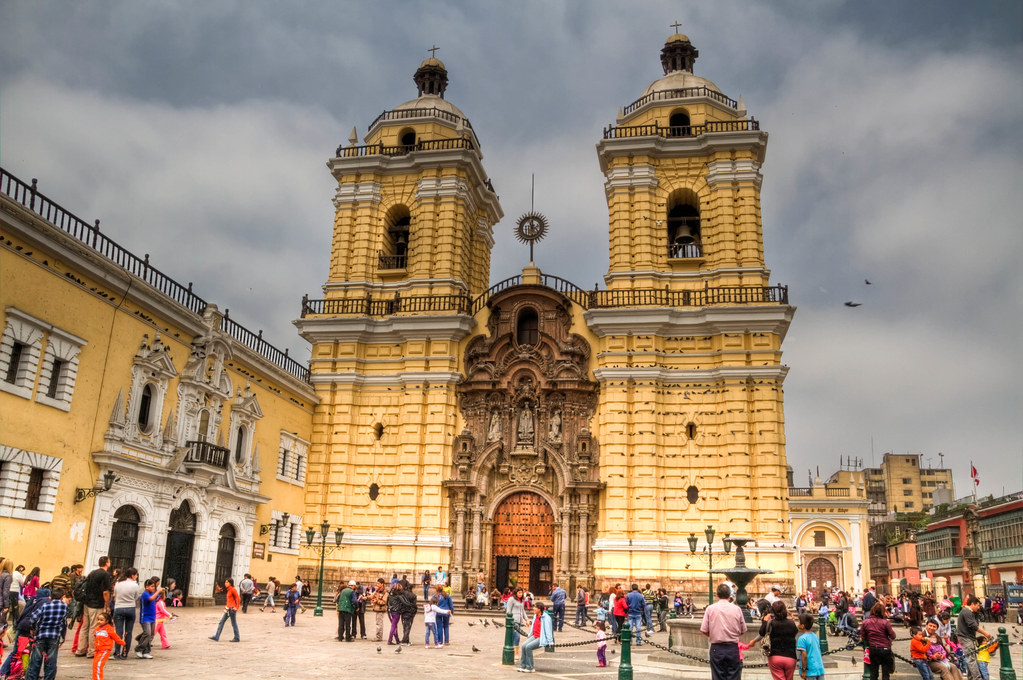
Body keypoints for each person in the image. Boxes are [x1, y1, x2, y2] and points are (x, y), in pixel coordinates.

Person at [700, 583, 747, 680]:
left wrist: (713, 635)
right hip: (733, 648)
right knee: (734, 676)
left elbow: (704, 629)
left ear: (717, 595)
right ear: (730, 595)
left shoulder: (710, 609)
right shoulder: (737, 609)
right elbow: (743, 630)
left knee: (717, 676)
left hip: (716, 648)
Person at [24, 587, 67, 680]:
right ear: (62, 597)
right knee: (51, 662)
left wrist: (32, 628)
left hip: (41, 636)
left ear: (50, 597)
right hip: (54, 637)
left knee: (35, 660)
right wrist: (62, 638)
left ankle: (32, 678)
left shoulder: (45, 606)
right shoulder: (64, 607)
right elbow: (64, 624)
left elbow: (33, 618)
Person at [750, 600, 798, 680]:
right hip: (791, 657)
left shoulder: (771, 623)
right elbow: (795, 632)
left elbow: (762, 633)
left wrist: (765, 621)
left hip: (775, 657)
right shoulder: (791, 623)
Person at [77, 556, 113, 658]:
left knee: (85, 627)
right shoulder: (105, 575)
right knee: (94, 626)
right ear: (107, 563)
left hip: (87, 602)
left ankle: (81, 649)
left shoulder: (92, 572)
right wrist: (107, 604)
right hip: (97, 604)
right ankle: (92, 650)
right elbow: (105, 592)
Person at [956, 596, 991, 680]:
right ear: (972, 604)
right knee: (971, 659)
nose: (978, 608)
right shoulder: (966, 612)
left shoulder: (968, 612)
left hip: (967, 637)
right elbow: (973, 625)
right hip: (965, 637)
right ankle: (977, 678)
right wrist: (985, 633)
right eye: (977, 605)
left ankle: (971, 677)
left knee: (970, 658)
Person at [860, 602, 896, 680]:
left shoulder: (865, 622)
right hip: (885, 649)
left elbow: (863, 637)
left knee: (874, 673)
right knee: (886, 674)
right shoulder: (885, 623)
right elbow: (893, 636)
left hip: (873, 649)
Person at [111, 567, 141, 659]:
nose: (136, 577)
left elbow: (115, 594)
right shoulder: (135, 585)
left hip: (119, 608)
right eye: (136, 575)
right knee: (128, 632)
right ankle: (125, 653)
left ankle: (117, 653)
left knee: (118, 632)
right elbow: (136, 597)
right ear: (132, 575)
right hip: (130, 608)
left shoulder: (118, 583)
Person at [519, 602, 554, 674]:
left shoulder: (546, 618)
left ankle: (530, 667)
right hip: (535, 636)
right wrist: (530, 635)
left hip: (541, 638)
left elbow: (548, 630)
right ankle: (523, 665)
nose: (533, 608)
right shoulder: (535, 616)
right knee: (524, 645)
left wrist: (550, 641)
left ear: (539, 609)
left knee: (528, 647)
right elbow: (533, 627)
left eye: (535, 607)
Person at [92, 610, 126, 680]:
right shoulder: (97, 629)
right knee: (95, 665)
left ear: (106, 621)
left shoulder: (109, 629)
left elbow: (115, 637)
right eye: (98, 619)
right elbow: (96, 638)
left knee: (98, 665)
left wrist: (122, 643)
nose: (99, 621)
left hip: (105, 650)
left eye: (101, 620)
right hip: (98, 650)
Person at [136, 577, 162, 658]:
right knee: (147, 633)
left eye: (154, 587)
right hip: (145, 617)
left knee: (150, 635)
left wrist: (163, 592)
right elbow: (151, 599)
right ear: (146, 587)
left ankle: (146, 652)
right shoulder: (145, 594)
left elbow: (160, 598)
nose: (153, 588)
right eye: (151, 586)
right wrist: (158, 591)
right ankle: (139, 648)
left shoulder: (152, 593)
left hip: (152, 617)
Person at [209, 577, 241, 642]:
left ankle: (236, 637)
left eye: (227, 582)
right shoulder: (229, 590)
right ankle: (217, 636)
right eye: (225, 582)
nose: (225, 583)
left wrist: (236, 607)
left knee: (233, 623)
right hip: (228, 609)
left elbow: (238, 598)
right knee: (222, 622)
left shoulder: (233, 589)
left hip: (231, 609)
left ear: (230, 583)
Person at [796, 612, 825, 680]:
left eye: (799, 622)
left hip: (810, 671)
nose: (798, 624)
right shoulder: (815, 636)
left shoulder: (802, 638)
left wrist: (803, 670)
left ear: (802, 626)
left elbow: (804, 655)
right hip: (819, 668)